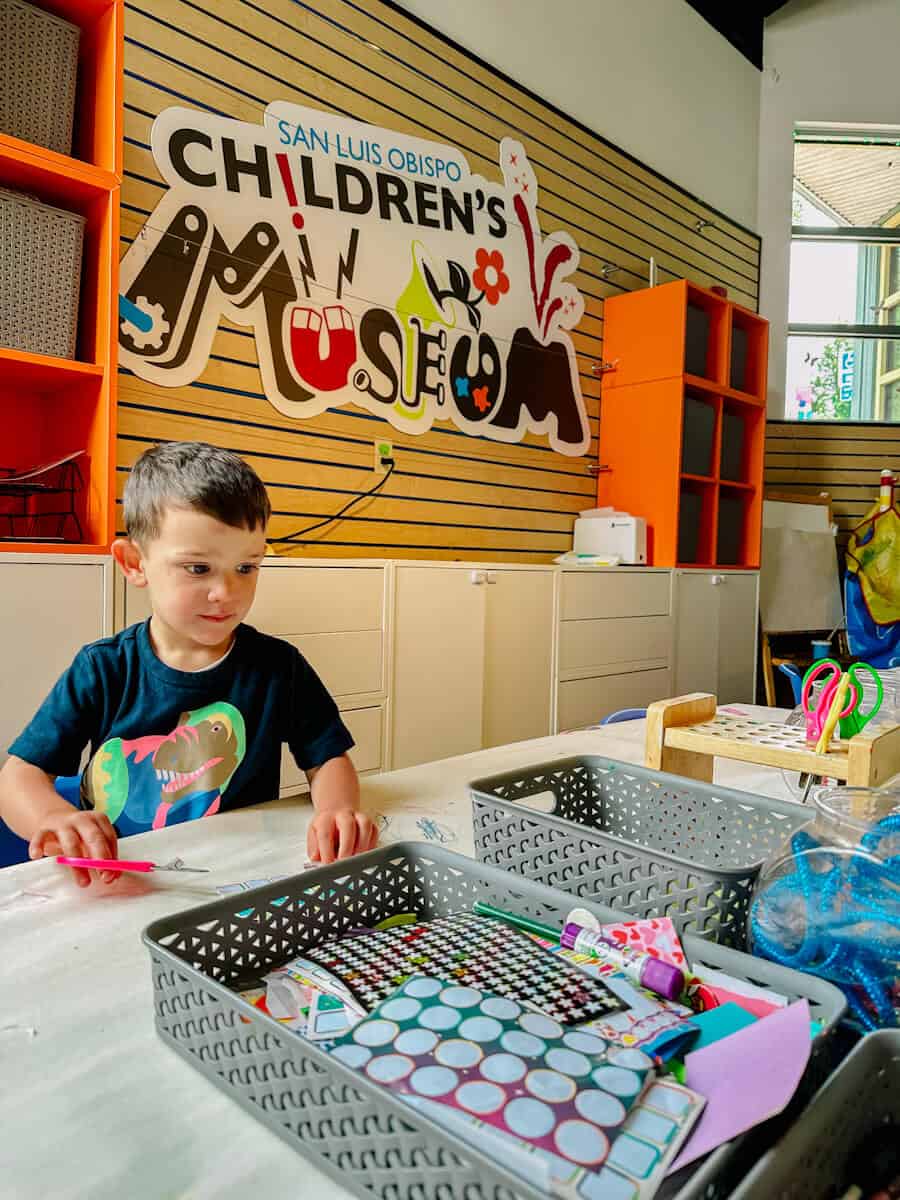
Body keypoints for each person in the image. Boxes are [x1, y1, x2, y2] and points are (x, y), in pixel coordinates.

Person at [0, 441, 377, 887]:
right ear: (134, 564)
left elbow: (328, 758)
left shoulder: (279, 667)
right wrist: (52, 817)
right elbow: (18, 777)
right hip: (120, 877)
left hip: (238, 876)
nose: (226, 593)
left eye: (246, 568)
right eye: (198, 569)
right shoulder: (103, 668)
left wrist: (336, 810)